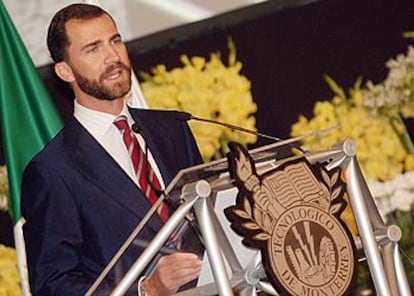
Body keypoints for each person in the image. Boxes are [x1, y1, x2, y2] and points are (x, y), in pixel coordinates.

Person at [21, 3, 203, 295]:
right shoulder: (53, 170)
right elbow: (52, 283)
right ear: (65, 71)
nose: (113, 56)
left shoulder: (173, 129)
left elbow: (206, 214)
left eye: (115, 41)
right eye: (93, 48)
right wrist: (146, 289)